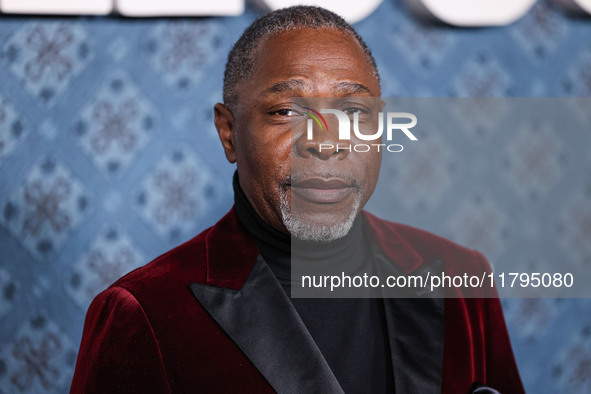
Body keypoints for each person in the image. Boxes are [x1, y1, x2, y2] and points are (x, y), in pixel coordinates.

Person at [70, 6, 524, 393]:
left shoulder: (462, 278)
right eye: (287, 112)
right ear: (229, 133)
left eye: (352, 111)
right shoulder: (143, 312)